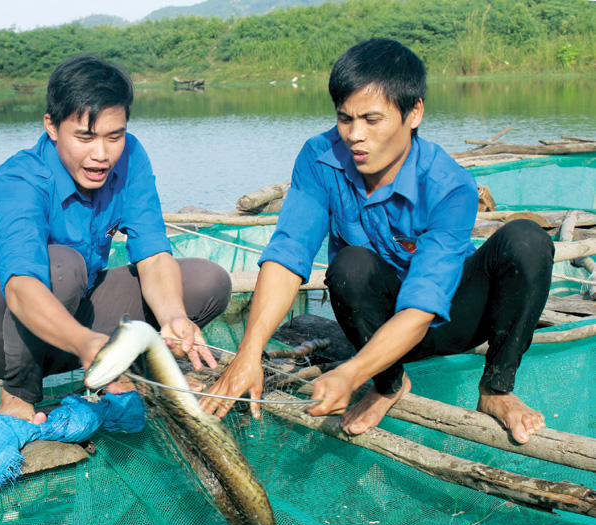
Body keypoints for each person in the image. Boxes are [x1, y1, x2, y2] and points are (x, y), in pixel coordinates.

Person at [200, 38, 552, 445]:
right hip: (376, 325)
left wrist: (351, 372)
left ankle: (496, 390)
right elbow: (288, 252)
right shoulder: (319, 158)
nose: (354, 135)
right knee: (350, 264)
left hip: (449, 319)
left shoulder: (448, 185)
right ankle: (389, 384)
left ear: (414, 112)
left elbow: (423, 304)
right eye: (344, 119)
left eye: (371, 119)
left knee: (527, 239)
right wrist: (249, 352)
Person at [0, 54, 232, 424]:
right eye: (84, 137)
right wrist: (87, 344)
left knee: (207, 280)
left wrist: (174, 316)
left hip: (81, 316)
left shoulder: (131, 157)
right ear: (51, 127)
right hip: (2, 335)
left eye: (113, 137)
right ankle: (18, 394)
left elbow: (152, 254)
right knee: (64, 266)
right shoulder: (20, 179)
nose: (101, 155)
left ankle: (121, 373)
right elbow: (21, 287)